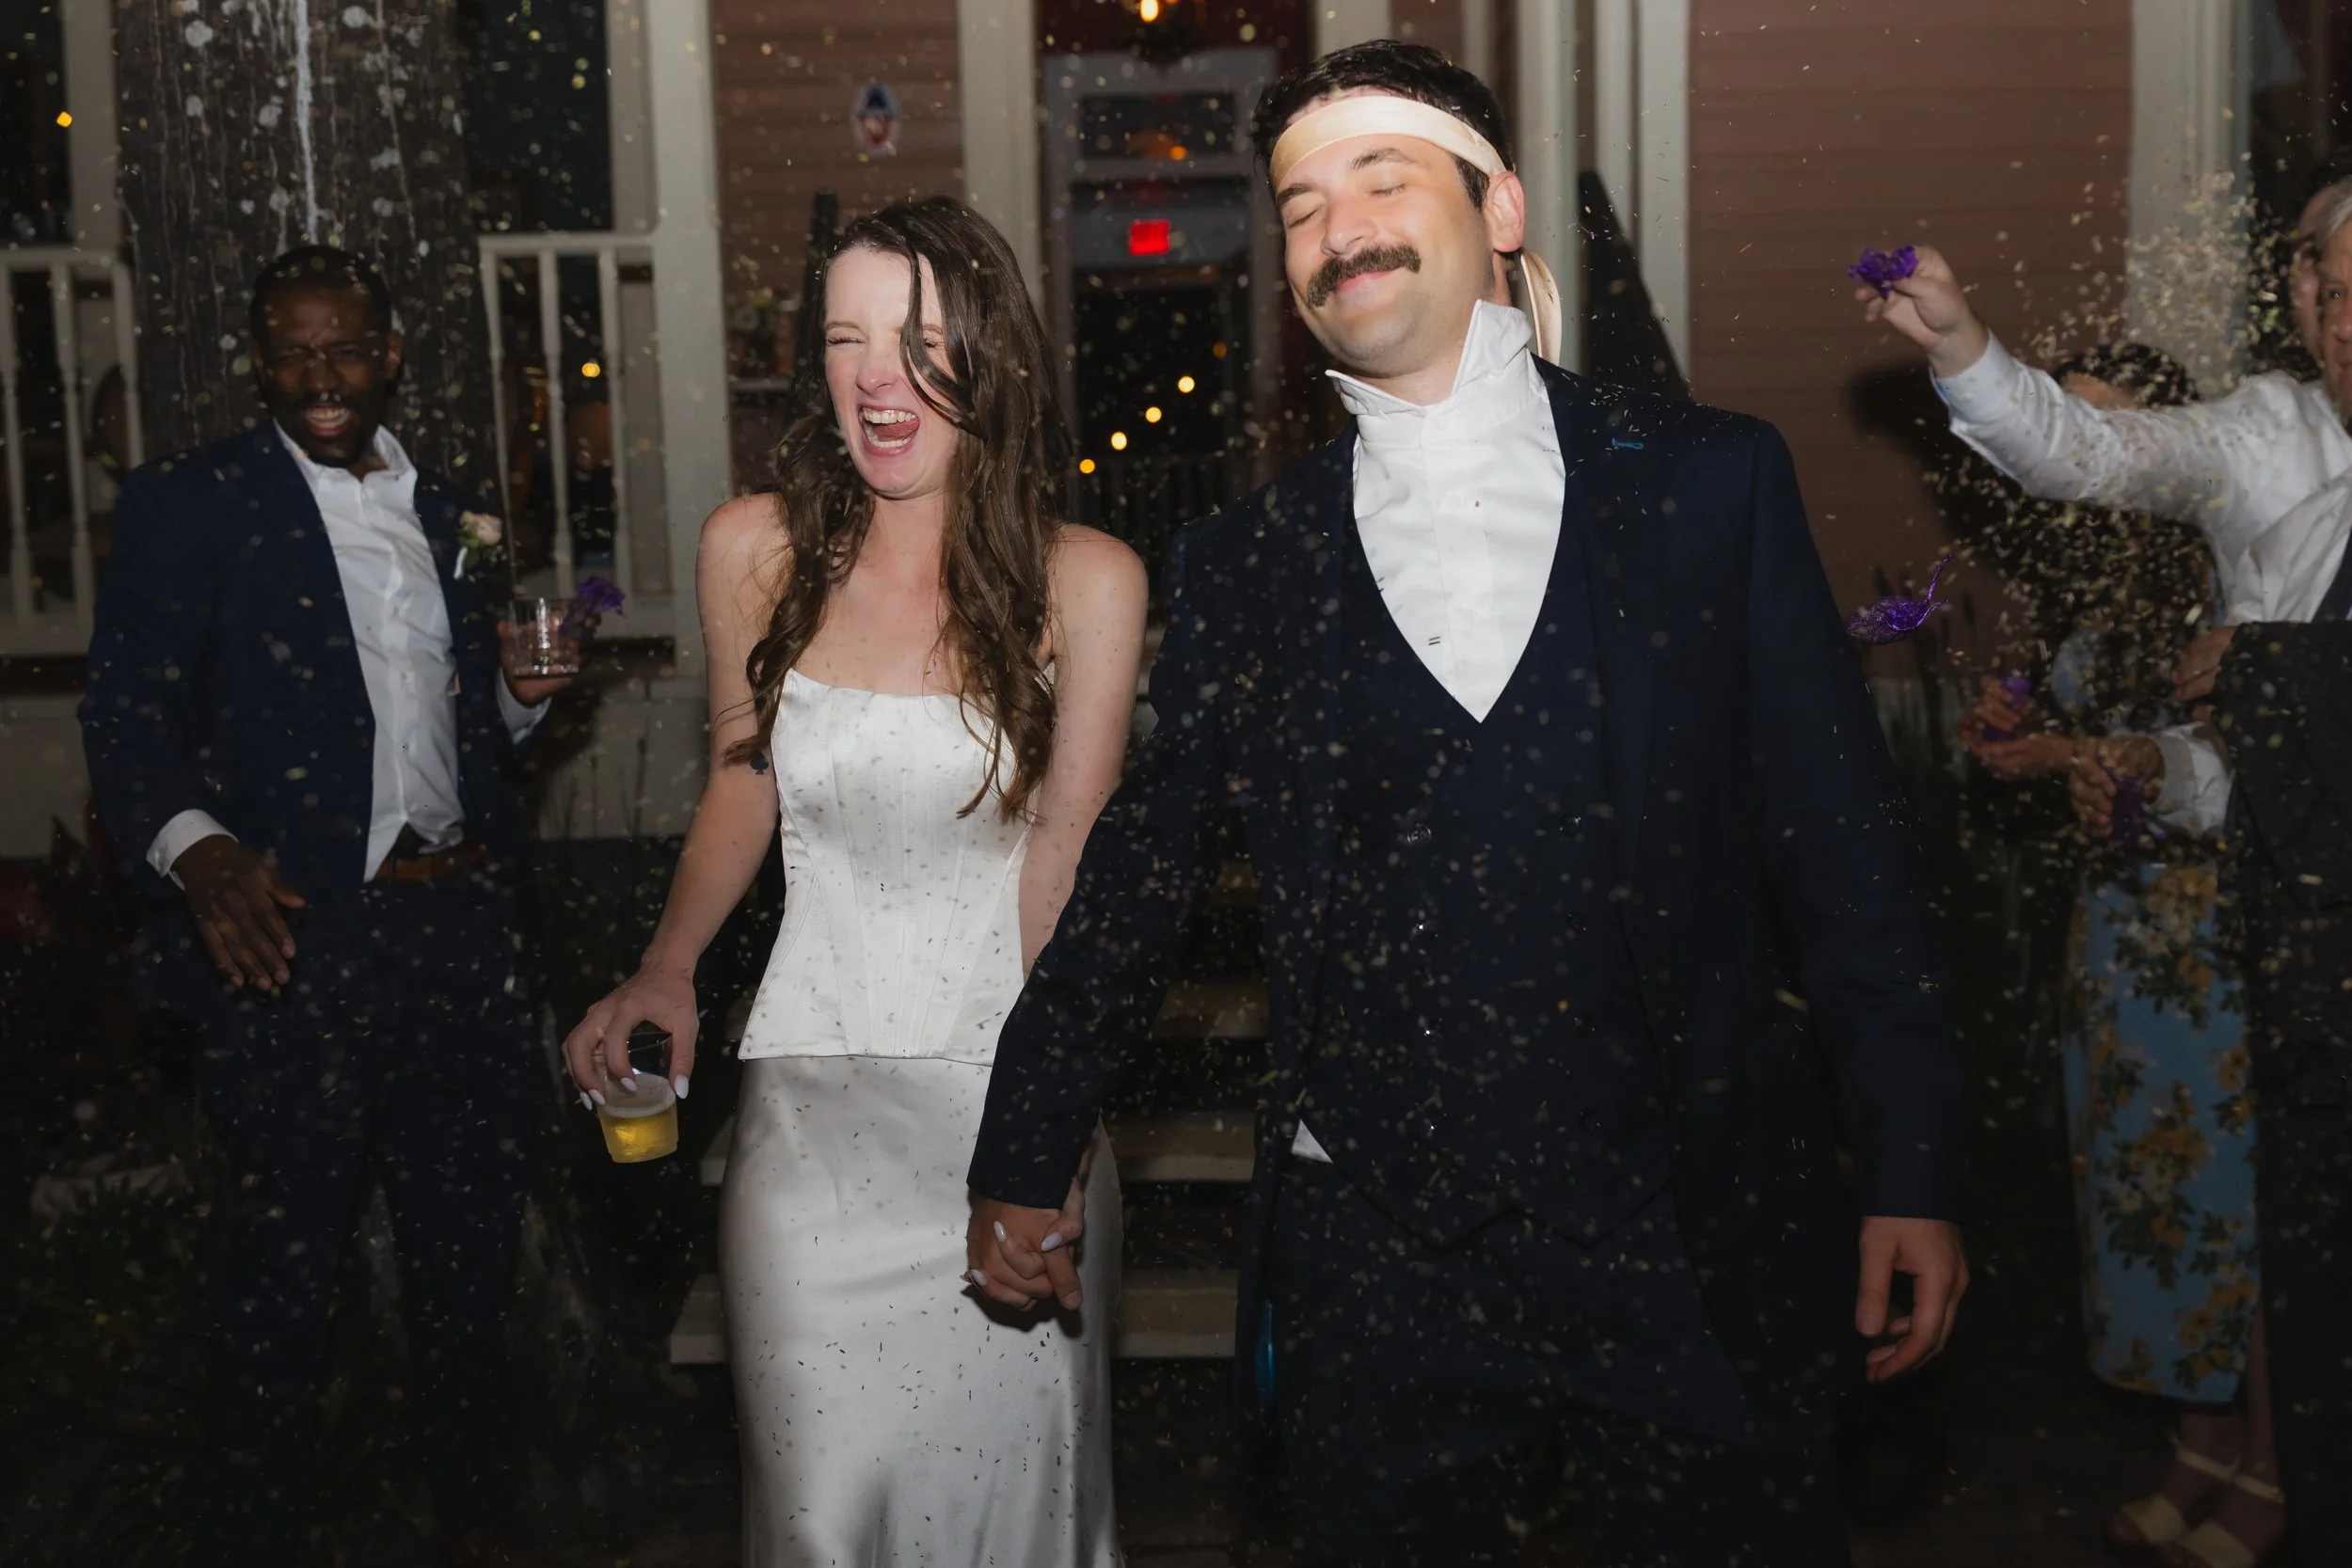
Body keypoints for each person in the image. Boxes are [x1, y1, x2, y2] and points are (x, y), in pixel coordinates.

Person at [967, 41, 1968, 1567]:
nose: (1339, 230)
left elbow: (1843, 851)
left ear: (1498, 207)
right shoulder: (1247, 564)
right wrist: (1024, 1139)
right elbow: (1140, 874)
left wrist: (1910, 1165)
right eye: (1300, 207)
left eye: (1382, 179)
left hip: (1684, 1225)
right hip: (1380, 1252)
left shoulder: (1707, 487)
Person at [562, 197, 1145, 1565]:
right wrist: (667, 964)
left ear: (990, 357)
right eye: (845, 338)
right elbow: (742, 781)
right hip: (811, 1131)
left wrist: (1046, 1132)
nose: (876, 377)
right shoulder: (751, 551)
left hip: (1003, 1103)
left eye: (921, 339)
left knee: (1022, 1523)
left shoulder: (1089, 582)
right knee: (820, 1521)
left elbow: (1065, 856)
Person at [1862, 186, 2352, 1568]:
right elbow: (2083, 450)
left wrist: (2264, 667)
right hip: (2310, 981)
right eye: (2325, 281)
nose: (2344, 315)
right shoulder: (2272, 438)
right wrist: (1961, 346)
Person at [79, 245, 569, 1568]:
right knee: (283, 1286)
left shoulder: (447, 510)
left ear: (390, 352)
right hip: (297, 937)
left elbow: (464, 734)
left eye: (346, 347)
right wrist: (200, 852)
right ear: (260, 362)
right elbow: (127, 720)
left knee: (467, 1282)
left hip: (458, 935)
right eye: (294, 351)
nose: (323, 376)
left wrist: (523, 696)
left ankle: (476, 1528)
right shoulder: (195, 506)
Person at [1958, 346, 2274, 1560]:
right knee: (2152, 1195)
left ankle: (2275, 1459)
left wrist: (2066, 756)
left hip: (2216, 939)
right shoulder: (2098, 582)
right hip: (2121, 939)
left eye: (2107, 432)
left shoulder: (2229, 559)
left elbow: (2232, 764)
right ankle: (2201, 1444)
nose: (2086, 466)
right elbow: (2106, 756)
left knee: (2239, 1207)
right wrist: (2031, 737)